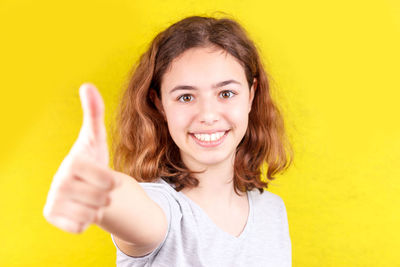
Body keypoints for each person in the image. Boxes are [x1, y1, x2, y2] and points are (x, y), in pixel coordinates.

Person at [43, 15, 294, 266]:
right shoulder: (161, 208)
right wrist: (103, 193)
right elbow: (135, 212)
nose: (207, 115)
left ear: (251, 95)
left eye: (226, 93)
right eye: (186, 97)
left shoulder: (272, 210)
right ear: (159, 104)